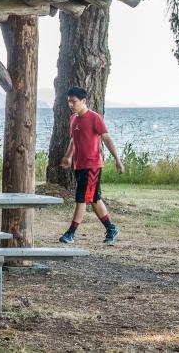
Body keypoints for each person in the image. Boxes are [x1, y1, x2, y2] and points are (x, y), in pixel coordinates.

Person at [58, 87, 124, 245]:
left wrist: (117, 159)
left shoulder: (95, 118)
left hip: (92, 165)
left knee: (81, 198)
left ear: (83, 101)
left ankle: (70, 233)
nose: (71, 105)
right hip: (79, 165)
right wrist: (68, 157)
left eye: (74, 102)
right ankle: (111, 229)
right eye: (69, 102)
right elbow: (74, 140)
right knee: (94, 198)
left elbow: (106, 139)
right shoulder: (73, 119)